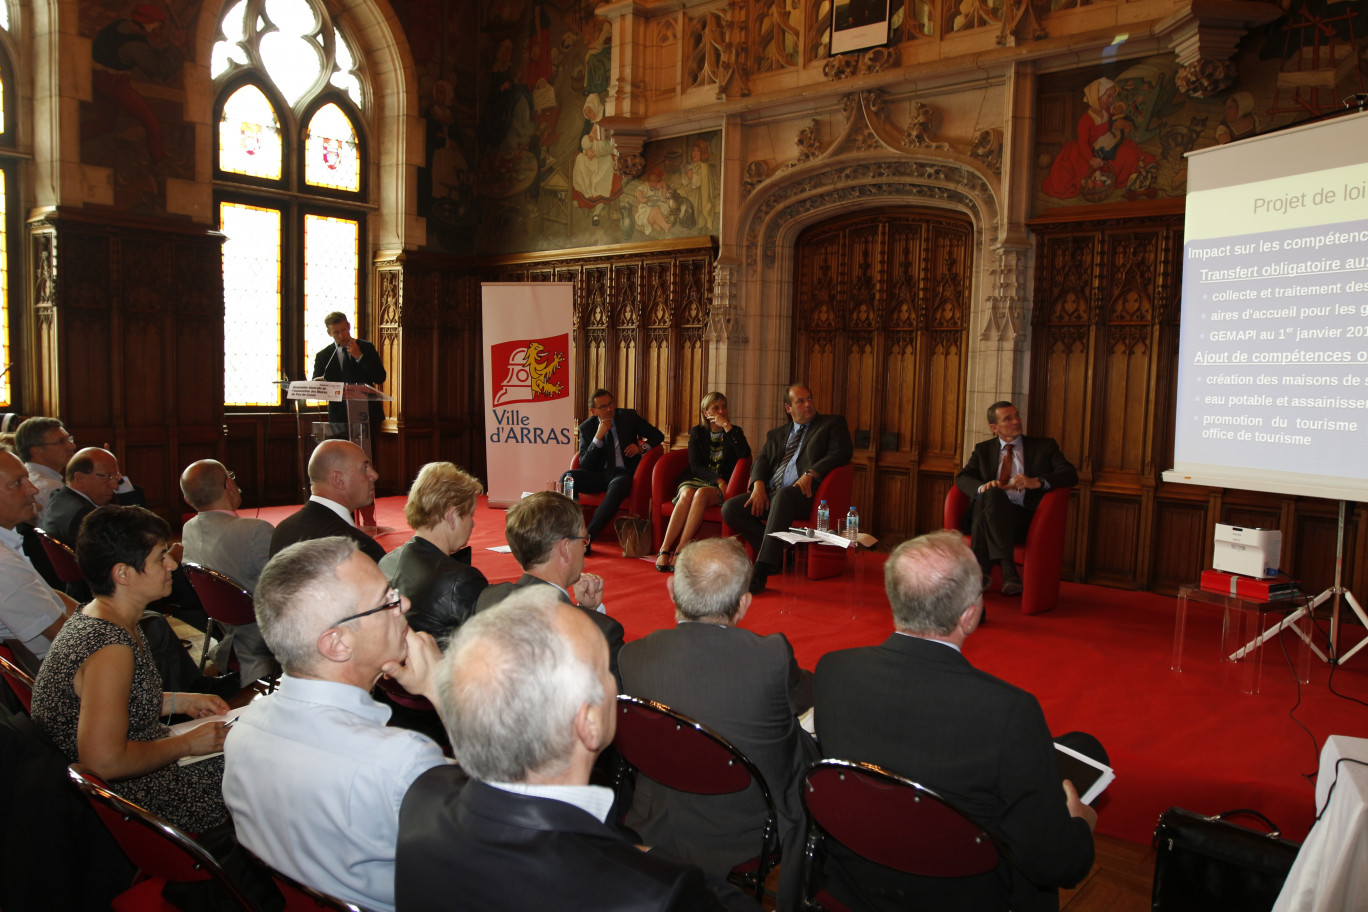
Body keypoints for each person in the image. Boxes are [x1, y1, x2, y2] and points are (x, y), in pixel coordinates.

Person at [396, 587, 753, 912]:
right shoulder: (658, 894)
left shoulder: (420, 800)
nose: (612, 681)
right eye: (603, 671)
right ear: (590, 725)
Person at [814, 530, 1101, 912]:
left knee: (1082, 746)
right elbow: (1056, 864)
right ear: (969, 617)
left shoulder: (833, 671)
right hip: (963, 897)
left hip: (855, 884)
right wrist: (1082, 825)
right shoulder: (1009, 711)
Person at [223, 537, 447, 912]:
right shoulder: (400, 761)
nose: (404, 605)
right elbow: (505, 838)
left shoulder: (243, 728)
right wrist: (444, 690)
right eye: (387, 602)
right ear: (337, 644)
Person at [620, 538, 817, 912]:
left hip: (661, 817)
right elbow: (807, 696)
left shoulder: (634, 657)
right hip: (748, 827)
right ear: (744, 604)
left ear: (670, 590)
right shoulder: (771, 656)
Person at [30, 506, 231, 833]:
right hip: (138, 801)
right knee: (263, 766)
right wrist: (187, 744)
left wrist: (176, 701)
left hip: (131, 786)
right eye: (160, 557)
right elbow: (103, 762)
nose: (172, 564)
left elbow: (111, 700)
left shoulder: (99, 616)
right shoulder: (110, 647)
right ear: (123, 573)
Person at [474, 490, 623, 685]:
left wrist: (586, 611)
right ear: (565, 549)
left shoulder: (488, 599)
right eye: (583, 540)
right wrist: (589, 617)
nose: (585, 548)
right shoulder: (600, 633)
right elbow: (614, 710)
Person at [720, 385, 852, 593]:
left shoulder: (831, 424)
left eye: (809, 398)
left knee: (783, 495)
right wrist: (758, 485)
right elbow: (761, 460)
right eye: (800, 401)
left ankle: (762, 570)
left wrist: (811, 474)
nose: (808, 404)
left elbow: (841, 453)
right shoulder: (777, 434)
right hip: (774, 493)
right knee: (730, 508)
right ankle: (781, 553)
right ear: (788, 408)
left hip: (806, 496)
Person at [954, 401, 1077, 595]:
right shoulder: (983, 450)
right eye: (1008, 419)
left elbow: (1070, 474)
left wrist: (1037, 481)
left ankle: (981, 575)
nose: (1016, 421)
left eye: (1017, 416)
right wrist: (982, 487)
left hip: (1021, 520)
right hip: (990, 513)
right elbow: (962, 477)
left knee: (985, 511)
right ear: (994, 428)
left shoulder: (1044, 447)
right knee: (992, 494)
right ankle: (1008, 571)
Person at [179, 459, 277, 681]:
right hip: (264, 633)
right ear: (230, 485)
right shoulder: (254, 531)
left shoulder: (189, 528)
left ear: (187, 500)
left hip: (225, 627)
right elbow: (284, 590)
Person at [379, 462, 488, 645]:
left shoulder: (385, 563)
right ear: (452, 516)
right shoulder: (462, 580)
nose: (473, 524)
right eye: (471, 514)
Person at [654, 392, 750, 572]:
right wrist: (717, 479)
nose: (721, 411)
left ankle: (681, 550)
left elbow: (745, 454)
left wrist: (727, 427)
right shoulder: (697, 432)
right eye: (716, 408)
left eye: (724, 406)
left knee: (700, 495)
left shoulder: (734, 432)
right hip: (699, 478)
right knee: (686, 494)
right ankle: (664, 548)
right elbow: (695, 465)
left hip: (719, 487)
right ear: (706, 413)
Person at [0, 451, 79, 661]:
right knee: (151, 633)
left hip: (61, 654)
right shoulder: (4, 564)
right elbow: (66, 640)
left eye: (28, 478)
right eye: (18, 482)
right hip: (59, 671)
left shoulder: (7, 541)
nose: (33, 489)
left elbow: (49, 594)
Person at [566, 388, 664, 543]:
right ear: (593, 411)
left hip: (623, 473)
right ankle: (569, 527)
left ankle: (587, 538)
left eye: (611, 404)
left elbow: (658, 435)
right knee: (568, 478)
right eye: (603, 407)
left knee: (618, 485)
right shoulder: (587, 428)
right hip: (599, 475)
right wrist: (598, 437)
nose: (609, 409)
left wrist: (641, 448)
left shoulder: (628, 417)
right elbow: (584, 464)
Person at [269, 439, 385, 563]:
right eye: (364, 468)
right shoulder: (357, 546)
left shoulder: (283, 530)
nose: (374, 474)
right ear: (338, 480)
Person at [311, 311, 387, 444]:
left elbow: (380, 377)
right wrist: (319, 385)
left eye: (344, 330)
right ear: (329, 333)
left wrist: (360, 357)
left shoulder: (366, 348)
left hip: (367, 415)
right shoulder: (324, 356)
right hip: (339, 419)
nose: (341, 335)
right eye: (336, 332)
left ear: (349, 326)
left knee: (367, 457)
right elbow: (317, 385)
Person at [42, 447, 123, 548]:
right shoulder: (84, 514)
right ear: (79, 477)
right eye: (107, 476)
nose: (115, 485)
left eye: (116, 477)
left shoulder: (59, 497)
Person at [15, 416, 77, 514]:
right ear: (36, 451)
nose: (72, 446)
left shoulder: (32, 478)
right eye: (62, 441)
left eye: (69, 439)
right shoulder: (50, 488)